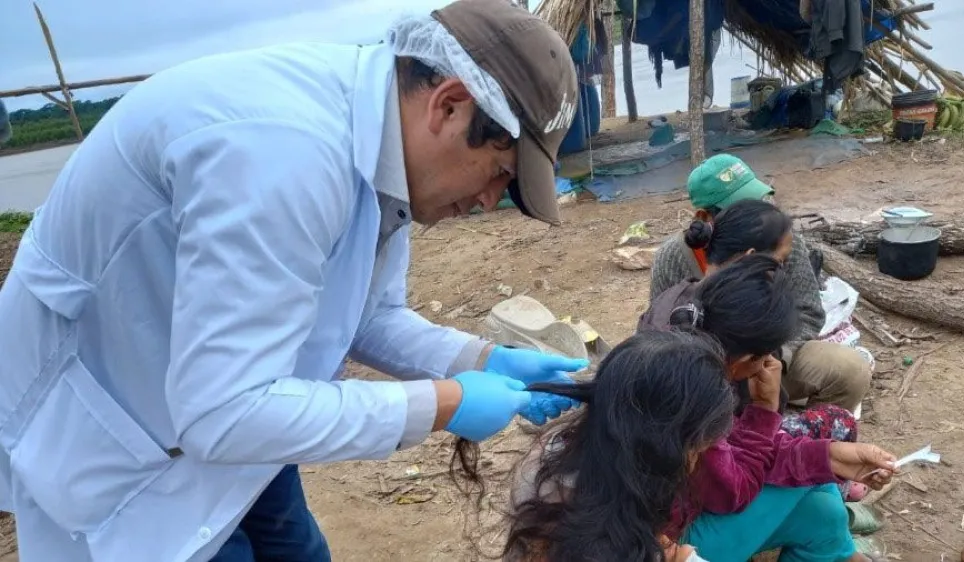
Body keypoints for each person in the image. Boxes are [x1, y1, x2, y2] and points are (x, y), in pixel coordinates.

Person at [0, 2, 588, 561]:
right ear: (450, 105)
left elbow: (369, 316)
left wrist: (480, 359)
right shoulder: (282, 157)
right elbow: (223, 414)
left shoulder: (387, 149)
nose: (488, 200)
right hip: (124, 419)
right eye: (500, 173)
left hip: (238, 393)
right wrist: (444, 403)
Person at [642, 253, 896, 562]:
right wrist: (765, 410)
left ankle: (842, 550)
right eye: (765, 357)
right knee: (809, 477)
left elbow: (736, 456)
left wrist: (830, 456)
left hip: (690, 510)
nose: (771, 364)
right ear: (744, 359)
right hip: (672, 543)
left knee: (823, 510)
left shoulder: (686, 345)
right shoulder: (694, 401)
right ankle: (843, 550)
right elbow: (731, 492)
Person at [454, 330, 739, 562]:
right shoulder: (597, 541)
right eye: (697, 450)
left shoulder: (562, 453)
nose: (695, 461)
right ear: (665, 450)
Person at [650, 153, 871, 415]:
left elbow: (809, 312)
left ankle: (802, 433)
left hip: (771, 358)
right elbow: (662, 334)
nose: (758, 212)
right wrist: (723, 371)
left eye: (758, 200)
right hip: (703, 374)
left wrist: (771, 357)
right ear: (705, 217)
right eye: (741, 208)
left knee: (850, 370)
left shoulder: (781, 241)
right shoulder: (673, 258)